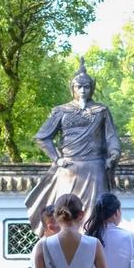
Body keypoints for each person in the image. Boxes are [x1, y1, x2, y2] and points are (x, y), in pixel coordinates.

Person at [25, 59, 121, 235]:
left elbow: (111, 136)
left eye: (86, 86)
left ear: (92, 87)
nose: (83, 90)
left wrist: (114, 153)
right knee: (66, 209)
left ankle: (93, 243)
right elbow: (42, 137)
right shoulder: (61, 111)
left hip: (95, 167)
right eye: (79, 86)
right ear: (72, 88)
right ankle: (64, 243)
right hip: (69, 168)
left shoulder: (101, 110)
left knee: (94, 211)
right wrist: (57, 158)